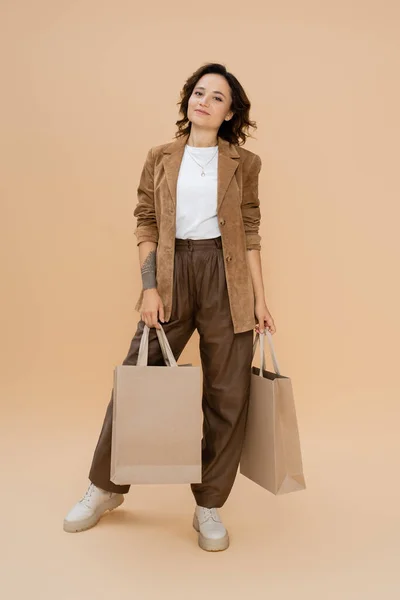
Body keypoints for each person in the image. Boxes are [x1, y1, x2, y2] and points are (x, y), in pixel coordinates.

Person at [63, 62, 276, 552]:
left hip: (228, 279)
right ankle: (105, 487)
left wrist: (261, 300)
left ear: (229, 113)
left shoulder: (245, 164)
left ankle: (209, 505)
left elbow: (248, 234)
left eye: (216, 97)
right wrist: (150, 288)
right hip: (171, 271)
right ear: (188, 100)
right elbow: (145, 221)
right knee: (139, 377)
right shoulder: (160, 157)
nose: (203, 100)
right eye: (198, 92)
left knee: (228, 394)